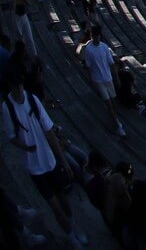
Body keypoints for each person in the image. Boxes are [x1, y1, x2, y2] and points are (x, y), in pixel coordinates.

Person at [2, 71, 90, 248]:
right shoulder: (7, 107)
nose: (19, 91)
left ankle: (73, 226)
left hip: (50, 161)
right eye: (15, 87)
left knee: (63, 200)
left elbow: (49, 131)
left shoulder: (32, 100)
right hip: (34, 167)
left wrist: (63, 161)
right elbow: (11, 136)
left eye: (20, 86)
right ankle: (72, 237)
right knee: (55, 207)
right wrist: (25, 147)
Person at [81, 26, 125, 137]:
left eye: (97, 36)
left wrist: (116, 78)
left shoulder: (104, 47)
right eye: (94, 37)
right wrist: (91, 80)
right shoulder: (89, 49)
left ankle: (115, 121)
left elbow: (111, 64)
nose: (96, 39)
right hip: (98, 80)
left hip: (108, 78)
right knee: (109, 104)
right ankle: (119, 126)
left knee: (113, 103)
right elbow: (88, 66)